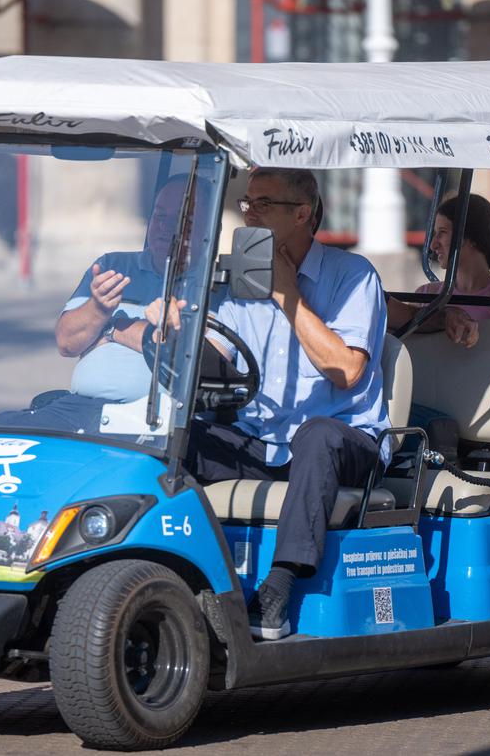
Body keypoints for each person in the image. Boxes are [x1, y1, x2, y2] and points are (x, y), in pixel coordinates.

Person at [183, 167, 389, 640]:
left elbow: (347, 371)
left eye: (263, 204)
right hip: (263, 440)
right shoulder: (241, 277)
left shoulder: (352, 276)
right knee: (183, 439)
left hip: (344, 440)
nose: (249, 213)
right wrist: (176, 332)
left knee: (315, 433)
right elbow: (218, 360)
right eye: (247, 203)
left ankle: (280, 583)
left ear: (302, 214)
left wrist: (287, 294)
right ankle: (179, 568)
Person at [0, 174, 197, 432]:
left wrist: (112, 328)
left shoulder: (213, 286)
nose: (165, 228)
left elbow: (177, 352)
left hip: (154, 419)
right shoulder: (113, 266)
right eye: (159, 216)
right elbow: (67, 343)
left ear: (206, 230)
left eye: (180, 220)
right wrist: (98, 309)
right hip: (79, 408)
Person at [389, 194, 490, 326]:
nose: (433, 245)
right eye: (435, 233)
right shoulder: (424, 296)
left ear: (470, 237)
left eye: (442, 233)